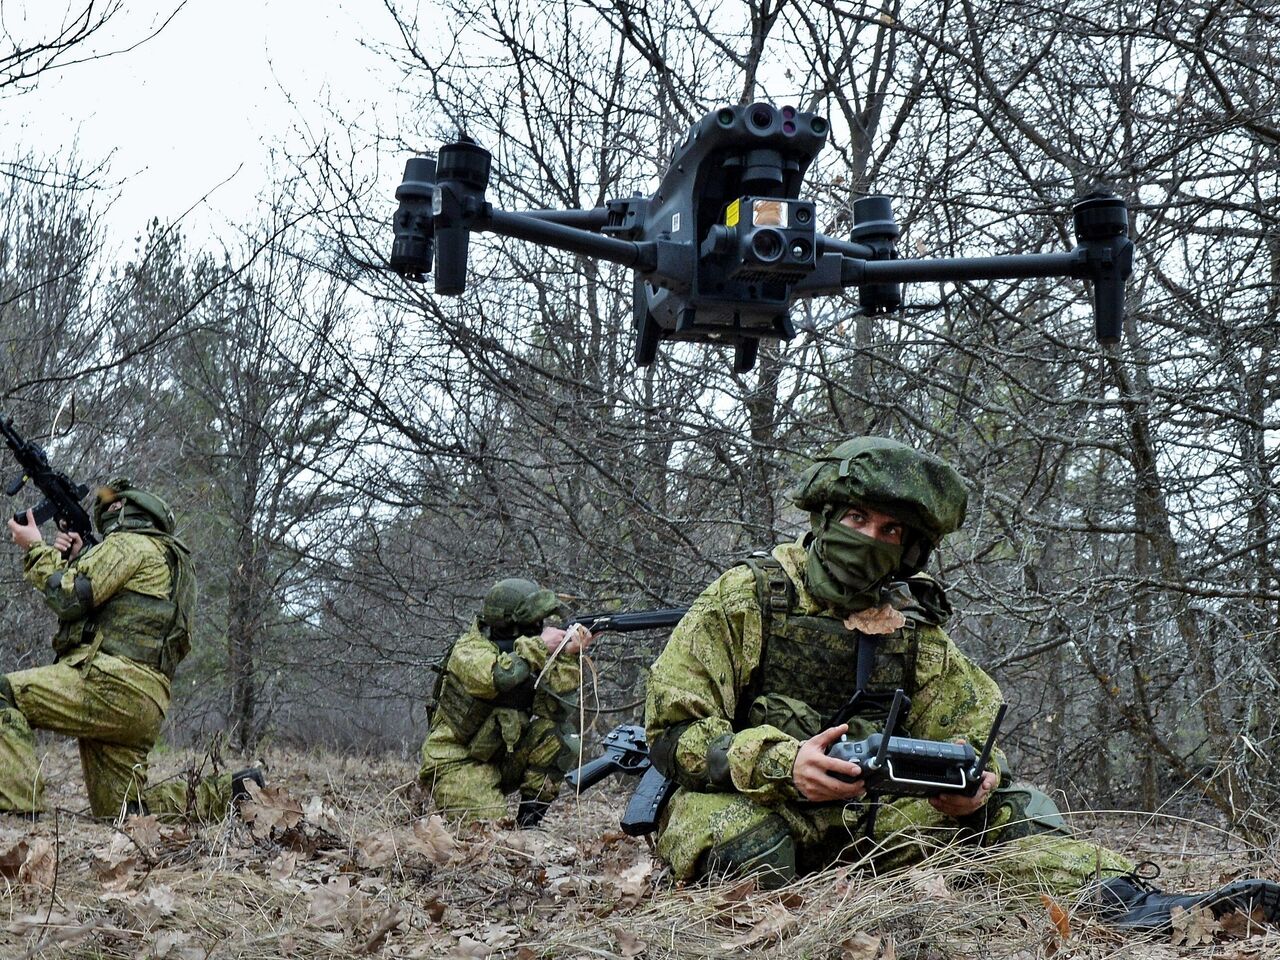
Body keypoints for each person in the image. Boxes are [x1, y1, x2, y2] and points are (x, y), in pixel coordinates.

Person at [644, 437, 1280, 932]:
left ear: (911, 551)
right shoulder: (749, 597)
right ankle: (783, 927)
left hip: (874, 826)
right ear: (827, 515)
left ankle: (1151, 908)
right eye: (858, 518)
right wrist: (786, 763)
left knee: (1015, 809)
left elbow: (971, 729)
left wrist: (974, 782)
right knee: (737, 839)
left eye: (890, 531)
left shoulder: (912, 627)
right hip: (763, 804)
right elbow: (673, 733)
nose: (869, 539)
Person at [0, 477, 258, 821]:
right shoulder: (172, 562)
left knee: (5, 694)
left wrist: (35, 547)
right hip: (145, 703)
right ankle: (237, 792)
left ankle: (16, 817)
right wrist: (82, 558)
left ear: (123, 510)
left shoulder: (128, 544)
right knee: (124, 813)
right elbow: (122, 614)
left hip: (108, 686)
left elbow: (67, 596)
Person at [419, 577, 594, 827]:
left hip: (502, 758)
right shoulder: (469, 650)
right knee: (490, 835)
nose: (539, 627)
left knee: (560, 736)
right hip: (456, 763)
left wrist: (567, 656)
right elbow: (498, 677)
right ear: (509, 625)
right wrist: (539, 646)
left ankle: (529, 826)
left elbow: (556, 710)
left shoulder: (532, 650)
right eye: (532, 623)